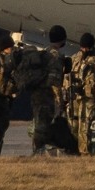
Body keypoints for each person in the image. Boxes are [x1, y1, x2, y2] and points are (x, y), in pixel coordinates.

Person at [29, 25, 67, 155]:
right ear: (62, 40)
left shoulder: (44, 52)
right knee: (44, 125)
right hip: (47, 95)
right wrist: (60, 100)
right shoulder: (55, 56)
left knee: (38, 123)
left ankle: (36, 150)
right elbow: (55, 81)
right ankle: (39, 152)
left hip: (37, 94)